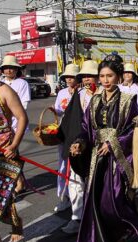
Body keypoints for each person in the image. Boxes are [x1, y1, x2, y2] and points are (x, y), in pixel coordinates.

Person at [70, 54, 138, 242]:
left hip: (117, 158)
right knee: (97, 202)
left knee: (114, 202)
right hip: (96, 159)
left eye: (110, 75)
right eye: (102, 76)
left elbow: (133, 128)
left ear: (118, 77)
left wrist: (113, 144)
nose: (106, 80)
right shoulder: (94, 100)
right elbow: (85, 128)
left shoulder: (127, 101)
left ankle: (121, 238)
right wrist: (79, 143)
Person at [60, 60, 99, 234]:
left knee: (97, 182)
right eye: (84, 76)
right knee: (75, 181)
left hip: (99, 145)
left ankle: (97, 217)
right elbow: (70, 119)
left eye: (90, 75)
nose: (87, 79)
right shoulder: (79, 94)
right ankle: (77, 218)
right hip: (79, 143)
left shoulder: (107, 93)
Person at [0, 78, 28, 242]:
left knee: (4, 194)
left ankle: (16, 223)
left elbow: (22, 118)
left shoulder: (4, 91)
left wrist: (14, 145)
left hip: (4, 149)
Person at [0, 55, 31, 194]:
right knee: (13, 156)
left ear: (16, 69)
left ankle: (18, 182)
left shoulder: (21, 83)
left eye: (11, 68)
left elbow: (23, 106)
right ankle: (19, 180)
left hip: (13, 125)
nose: (8, 71)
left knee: (12, 153)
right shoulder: (1, 82)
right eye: (6, 68)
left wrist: (14, 123)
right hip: (2, 125)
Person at [53, 64, 80, 213]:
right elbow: (57, 109)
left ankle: (79, 199)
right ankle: (64, 197)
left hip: (77, 133)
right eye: (67, 77)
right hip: (64, 131)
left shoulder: (82, 92)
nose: (69, 79)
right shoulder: (62, 92)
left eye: (72, 77)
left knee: (76, 167)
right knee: (63, 165)